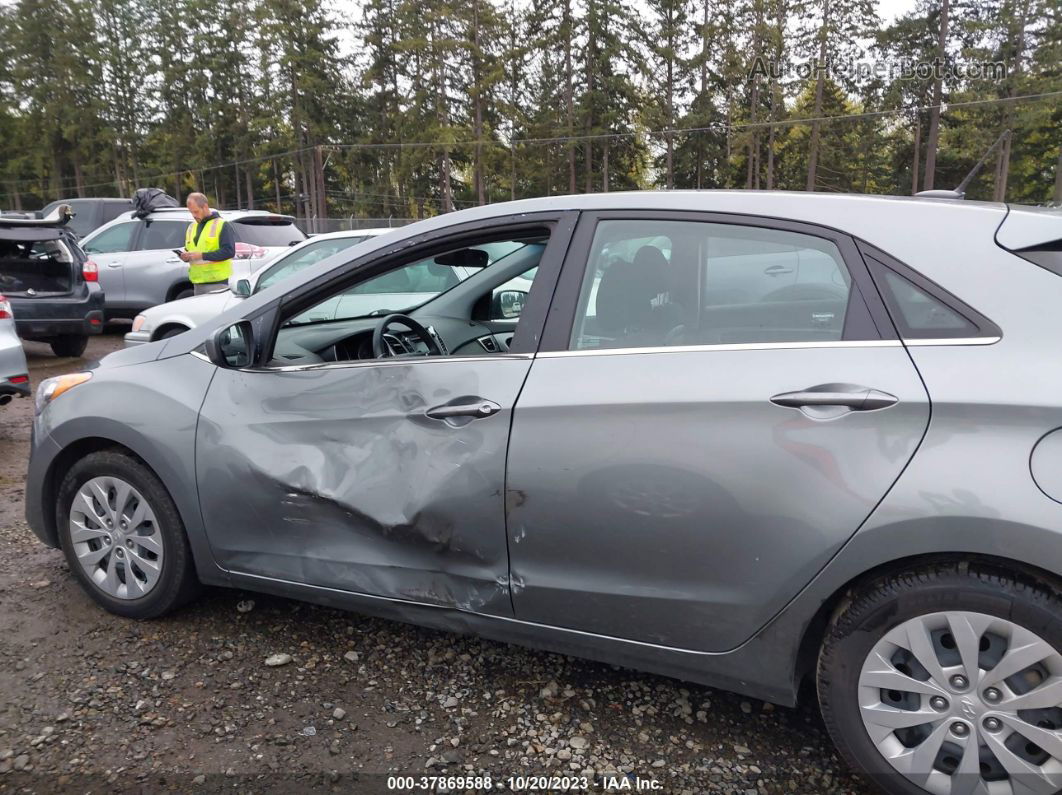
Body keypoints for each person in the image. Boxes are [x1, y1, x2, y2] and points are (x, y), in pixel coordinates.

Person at [179, 193, 235, 295]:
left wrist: (202, 255)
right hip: (197, 284)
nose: (194, 215)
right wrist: (186, 256)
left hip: (217, 283)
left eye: (196, 211)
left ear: (205, 206)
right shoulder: (191, 227)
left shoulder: (222, 224)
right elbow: (190, 250)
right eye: (191, 212)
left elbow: (229, 252)